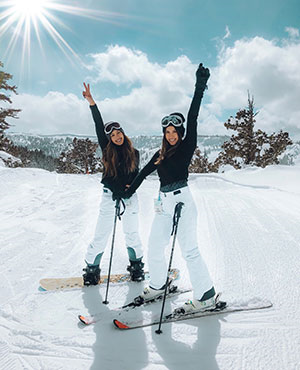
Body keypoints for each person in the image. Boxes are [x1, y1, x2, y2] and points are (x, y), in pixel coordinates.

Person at [122, 63, 216, 312]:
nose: (171, 134)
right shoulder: (161, 154)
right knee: (154, 245)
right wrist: (128, 190)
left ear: (181, 132)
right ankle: (158, 284)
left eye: (174, 131)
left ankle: (206, 295)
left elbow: (193, 116)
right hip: (163, 203)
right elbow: (143, 173)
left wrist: (199, 87)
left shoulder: (186, 147)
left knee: (189, 249)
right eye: (167, 131)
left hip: (182, 200)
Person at [82, 82, 144, 285]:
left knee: (132, 234)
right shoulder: (106, 150)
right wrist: (92, 103)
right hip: (109, 196)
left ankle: (136, 266)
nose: (117, 137)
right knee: (101, 234)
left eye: (119, 134)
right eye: (113, 135)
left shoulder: (134, 153)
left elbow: (136, 176)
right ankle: (92, 269)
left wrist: (128, 190)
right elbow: (99, 125)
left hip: (129, 198)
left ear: (123, 134)